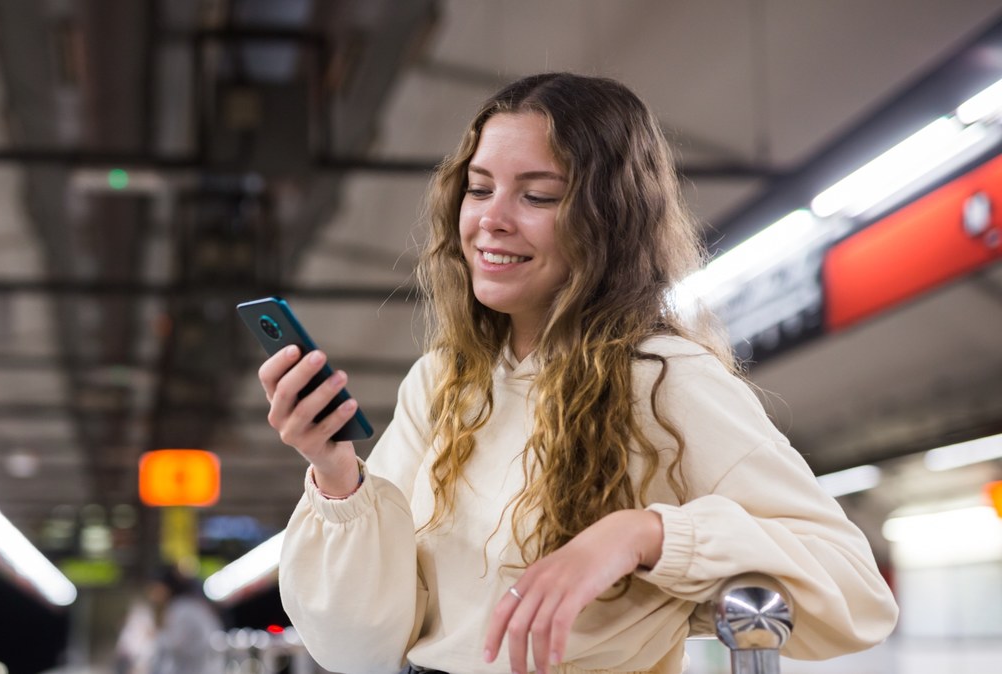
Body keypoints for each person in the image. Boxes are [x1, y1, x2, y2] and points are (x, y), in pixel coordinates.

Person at [256, 73, 898, 674]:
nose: (491, 219)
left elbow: (857, 592)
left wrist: (643, 535)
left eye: (537, 195)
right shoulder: (442, 383)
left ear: (608, 221)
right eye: (479, 189)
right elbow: (359, 650)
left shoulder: (664, 379)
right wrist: (337, 474)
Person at [144, 565, 225, 674]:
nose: (152, 593)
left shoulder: (182, 608)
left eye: (155, 587)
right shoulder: (188, 604)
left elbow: (175, 644)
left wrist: (156, 635)